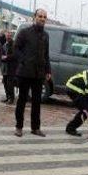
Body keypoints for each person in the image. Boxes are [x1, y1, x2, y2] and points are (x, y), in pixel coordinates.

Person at [14, 9, 52, 137]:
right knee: (22, 101)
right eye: (40, 16)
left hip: (38, 74)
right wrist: (23, 61)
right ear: (34, 17)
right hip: (25, 72)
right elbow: (16, 48)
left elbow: (46, 55)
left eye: (44, 17)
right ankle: (19, 127)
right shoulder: (25, 32)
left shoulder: (46, 35)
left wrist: (48, 71)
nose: (42, 19)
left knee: (37, 102)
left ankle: (35, 128)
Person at [0, 30, 17, 104]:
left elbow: (15, 56)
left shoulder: (14, 44)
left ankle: (11, 98)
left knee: (10, 84)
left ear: (11, 36)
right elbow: (1, 54)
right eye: (7, 35)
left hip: (11, 68)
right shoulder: (4, 44)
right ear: (5, 36)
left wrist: (6, 57)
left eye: (9, 35)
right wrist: (1, 58)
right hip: (4, 68)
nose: (8, 37)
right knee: (5, 83)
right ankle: (7, 97)